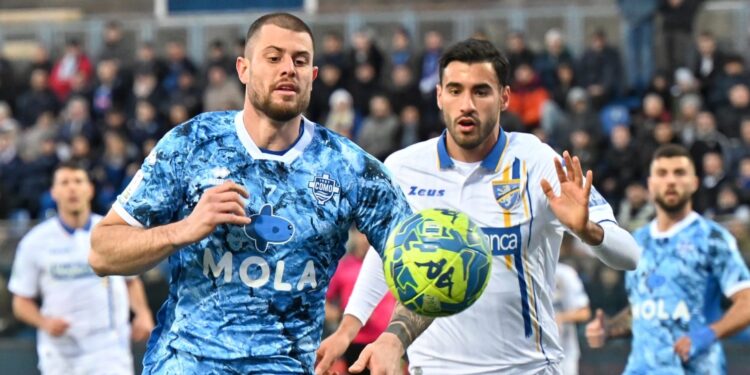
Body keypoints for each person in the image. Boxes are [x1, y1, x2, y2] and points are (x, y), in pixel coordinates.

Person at [88, 13, 412, 374]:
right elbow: (102, 252)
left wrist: (395, 337)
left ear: (313, 76)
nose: (288, 68)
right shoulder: (192, 144)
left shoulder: (350, 168)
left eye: (300, 60)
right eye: (273, 58)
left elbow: (425, 262)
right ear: (243, 69)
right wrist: (183, 229)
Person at [315, 38, 640, 375]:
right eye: (455, 90)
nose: (466, 104)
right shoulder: (403, 167)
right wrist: (348, 328)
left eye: (481, 91)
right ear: (439, 95)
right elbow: (387, 256)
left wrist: (589, 231)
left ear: (504, 97)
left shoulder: (538, 161)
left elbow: (630, 255)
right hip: (434, 369)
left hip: (527, 369)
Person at [584, 144, 750, 374]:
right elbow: (644, 308)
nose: (670, 181)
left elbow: (747, 302)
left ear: (694, 182)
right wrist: (609, 329)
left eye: (679, 173)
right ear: (651, 185)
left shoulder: (712, 239)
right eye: (662, 173)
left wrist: (709, 333)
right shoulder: (637, 241)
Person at [8, 161, 154, 375]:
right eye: (64, 182)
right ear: (54, 192)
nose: (72, 188)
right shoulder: (34, 242)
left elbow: (131, 280)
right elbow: (21, 301)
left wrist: (142, 313)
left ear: (90, 189)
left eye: (78, 181)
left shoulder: (112, 233)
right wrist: (44, 322)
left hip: (109, 353)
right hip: (60, 356)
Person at [325, 228, 397, 375]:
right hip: (356, 342)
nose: (366, 238)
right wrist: (343, 317)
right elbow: (322, 304)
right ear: (354, 235)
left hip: (388, 341)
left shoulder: (394, 263)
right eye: (362, 233)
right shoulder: (342, 267)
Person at [553, 263, 591, 375]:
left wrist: (559, 318)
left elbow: (584, 312)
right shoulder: (517, 271)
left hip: (564, 353)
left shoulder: (564, 273)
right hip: (529, 354)